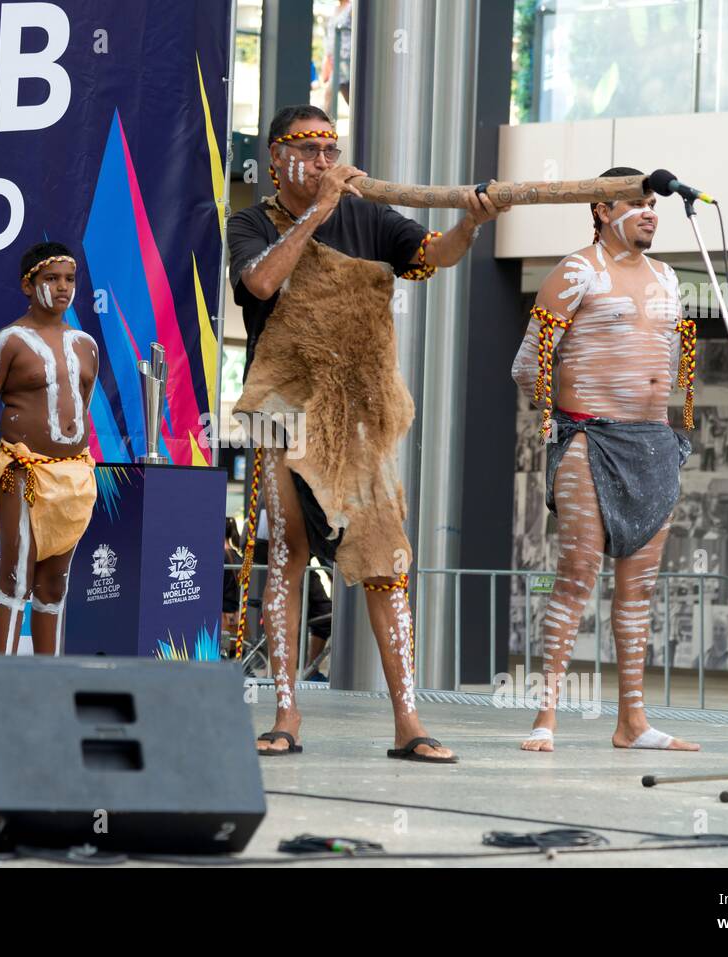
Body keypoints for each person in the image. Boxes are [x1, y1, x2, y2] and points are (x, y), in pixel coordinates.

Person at [227, 104, 499, 761]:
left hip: (355, 411)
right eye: (308, 148)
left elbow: (432, 259)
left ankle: (409, 721)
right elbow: (260, 280)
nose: (323, 160)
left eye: (330, 147)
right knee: (289, 552)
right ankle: (286, 712)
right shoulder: (250, 223)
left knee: (387, 560)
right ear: (275, 158)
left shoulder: (371, 216)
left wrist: (469, 220)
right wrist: (318, 212)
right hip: (283, 406)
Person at [512, 166, 700, 752]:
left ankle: (633, 723)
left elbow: (673, 362)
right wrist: (572, 413)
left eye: (653, 204)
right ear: (601, 209)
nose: (650, 211)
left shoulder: (669, 278)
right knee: (576, 578)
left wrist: (662, 426)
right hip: (589, 439)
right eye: (636, 202)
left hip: (654, 443)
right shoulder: (576, 271)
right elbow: (527, 366)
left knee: (637, 590)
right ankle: (545, 717)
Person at [0, 242, 99, 656]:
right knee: (16, 577)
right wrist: (4, 467)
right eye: (51, 279)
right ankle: (2, 681)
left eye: (69, 279)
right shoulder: (10, 340)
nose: (62, 288)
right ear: (28, 285)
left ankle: (47, 682)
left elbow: (82, 406)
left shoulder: (86, 344)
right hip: (21, 474)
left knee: (55, 581)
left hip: (74, 474)